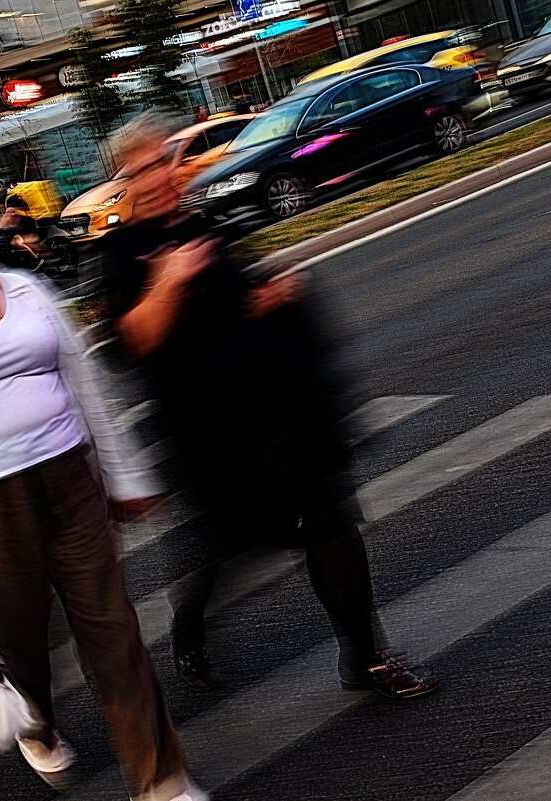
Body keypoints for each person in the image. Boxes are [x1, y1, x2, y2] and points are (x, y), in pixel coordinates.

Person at [0, 173, 203, 801]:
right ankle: (36, 723)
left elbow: (88, 388)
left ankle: (161, 780)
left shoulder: (26, 290)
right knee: (22, 641)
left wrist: (122, 475)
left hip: (70, 480)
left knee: (113, 631)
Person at [98, 114, 438, 699]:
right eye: (146, 166)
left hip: (274, 416)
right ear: (124, 178)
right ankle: (190, 620)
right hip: (206, 432)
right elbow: (135, 341)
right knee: (228, 544)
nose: (162, 174)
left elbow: (234, 302)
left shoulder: (205, 224)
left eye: (169, 160)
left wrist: (268, 298)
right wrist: (170, 282)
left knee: (330, 524)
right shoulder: (121, 251)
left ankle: (364, 657)